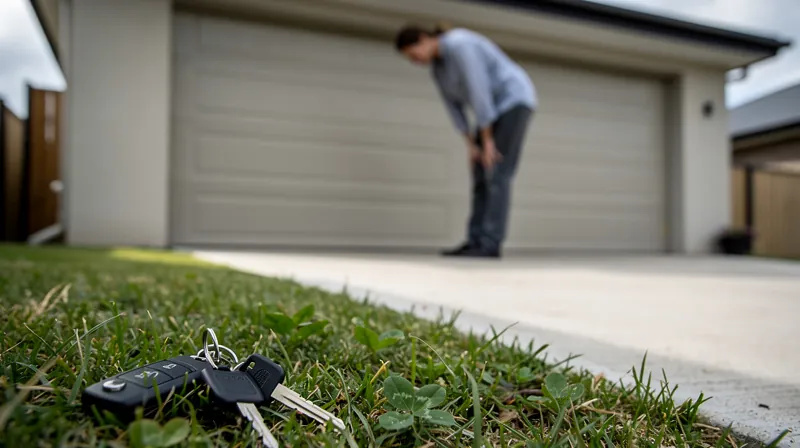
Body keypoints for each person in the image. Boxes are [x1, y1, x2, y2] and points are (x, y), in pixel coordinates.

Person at [394, 23, 537, 258]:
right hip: (490, 113)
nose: (415, 61)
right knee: (479, 173)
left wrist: (488, 140)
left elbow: (478, 91)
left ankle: (490, 243)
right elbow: (454, 109)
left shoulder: (459, 45)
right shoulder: (437, 70)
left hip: (514, 100)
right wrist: (471, 145)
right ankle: (475, 241)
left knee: (498, 170)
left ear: (423, 39)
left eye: (413, 54)